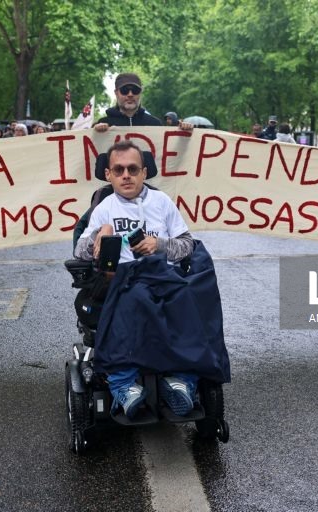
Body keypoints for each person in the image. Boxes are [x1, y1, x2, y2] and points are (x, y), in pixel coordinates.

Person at [74, 140, 200, 418]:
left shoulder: (162, 202)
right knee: (136, 297)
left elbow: (188, 245)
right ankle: (123, 383)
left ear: (144, 172)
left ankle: (180, 380)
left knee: (187, 296)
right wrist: (101, 233)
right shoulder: (104, 207)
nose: (126, 175)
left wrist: (160, 244)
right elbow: (80, 252)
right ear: (108, 174)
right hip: (121, 278)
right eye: (118, 170)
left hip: (162, 275)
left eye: (133, 169)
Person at [94, 73, 162, 131]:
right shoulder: (104, 124)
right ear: (116, 93)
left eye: (135, 90)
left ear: (140, 93)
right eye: (125, 90)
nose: (130, 94)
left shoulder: (155, 124)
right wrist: (95, 134)